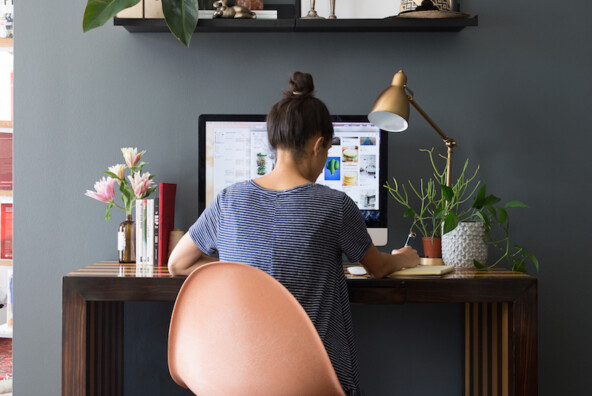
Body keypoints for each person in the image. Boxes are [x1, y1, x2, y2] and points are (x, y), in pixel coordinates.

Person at [168, 71, 419, 395]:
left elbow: (178, 263)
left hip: (234, 379)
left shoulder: (228, 199)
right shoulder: (335, 204)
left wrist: (240, 273)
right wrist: (403, 258)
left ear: (274, 142)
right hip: (312, 381)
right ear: (319, 146)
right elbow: (377, 268)